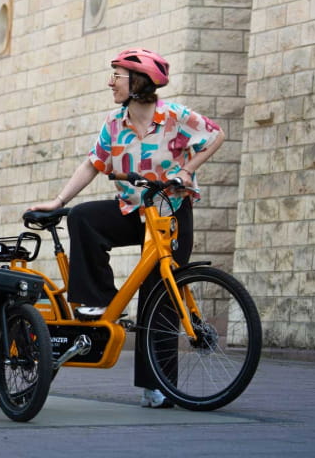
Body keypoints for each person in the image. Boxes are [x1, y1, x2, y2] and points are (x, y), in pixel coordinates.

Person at [27, 48, 225, 409]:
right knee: (82, 217)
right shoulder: (114, 123)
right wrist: (58, 200)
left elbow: (215, 135)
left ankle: (158, 386)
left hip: (171, 213)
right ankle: (97, 302)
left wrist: (188, 169)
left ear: (138, 82)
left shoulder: (175, 117)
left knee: (160, 295)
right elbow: (93, 163)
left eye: (117, 76)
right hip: (132, 209)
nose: (110, 82)